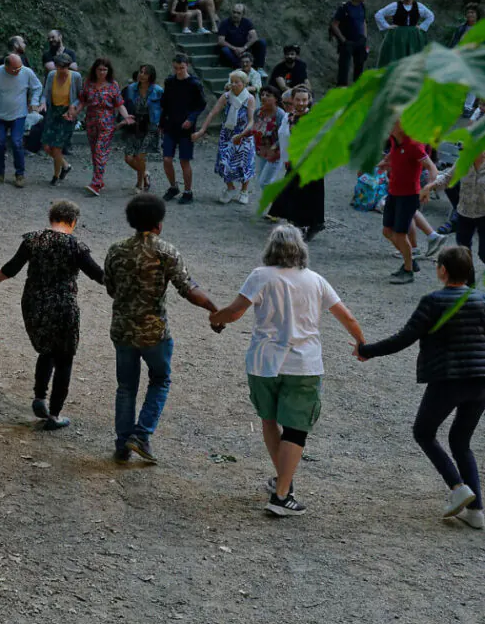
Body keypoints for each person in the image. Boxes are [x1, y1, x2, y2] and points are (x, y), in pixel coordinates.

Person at [209, 223, 365, 517]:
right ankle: (281, 494)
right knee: (296, 428)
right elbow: (347, 316)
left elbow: (235, 312)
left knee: (269, 420)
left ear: (271, 248)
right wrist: (361, 343)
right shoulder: (316, 280)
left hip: (263, 363)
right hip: (303, 364)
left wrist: (216, 318)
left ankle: (284, 483)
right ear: (301, 250)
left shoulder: (261, 276)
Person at [356, 246, 485, 530]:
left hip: (447, 379)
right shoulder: (481, 299)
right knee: (461, 441)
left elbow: (405, 338)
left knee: (424, 432)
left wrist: (368, 350)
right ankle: (476, 511)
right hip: (479, 381)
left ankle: (458, 487)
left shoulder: (433, 301)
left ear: (443, 271)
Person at [103, 193, 217, 463]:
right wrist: (214, 309)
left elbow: (110, 288)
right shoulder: (166, 252)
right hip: (155, 331)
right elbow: (188, 289)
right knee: (160, 380)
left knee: (126, 387)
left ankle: (122, 443)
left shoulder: (115, 250)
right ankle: (141, 434)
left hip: (122, 329)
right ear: (158, 222)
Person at [0, 199, 104, 431]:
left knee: (46, 350)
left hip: (34, 303)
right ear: (73, 222)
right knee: (64, 358)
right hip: (63, 306)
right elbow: (98, 275)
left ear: (51, 219)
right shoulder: (76, 246)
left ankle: (39, 397)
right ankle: (54, 414)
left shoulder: (32, 240)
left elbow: (11, 268)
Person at [383, 125, 441, 284]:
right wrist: (384, 163)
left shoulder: (414, 145)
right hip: (393, 192)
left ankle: (408, 271)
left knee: (400, 234)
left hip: (409, 195)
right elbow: (392, 156)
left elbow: (432, 167)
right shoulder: (395, 141)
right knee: (387, 231)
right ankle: (410, 260)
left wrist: (428, 188)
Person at [268, 86, 326, 238]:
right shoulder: (290, 116)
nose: (301, 103)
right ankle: (300, 225)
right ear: (292, 100)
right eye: (298, 100)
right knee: (292, 193)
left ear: (309, 101)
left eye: (304, 100)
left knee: (309, 195)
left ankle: (311, 225)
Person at [194, 70, 259, 205]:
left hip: (243, 134)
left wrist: (241, 135)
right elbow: (213, 112)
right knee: (224, 161)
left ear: (244, 83)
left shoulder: (249, 98)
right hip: (227, 133)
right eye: (232, 82)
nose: (234, 85)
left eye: (237, 82)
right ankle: (230, 188)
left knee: (244, 163)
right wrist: (202, 130)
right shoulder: (226, 96)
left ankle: (244, 191)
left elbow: (252, 120)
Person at [0, 52, 43, 187]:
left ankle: (19, 175)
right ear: (6, 66)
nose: (18, 71)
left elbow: (37, 87)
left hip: (19, 114)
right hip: (0, 114)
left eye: (19, 68)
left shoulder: (26, 72)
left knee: (17, 143)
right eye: (15, 69)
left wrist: (34, 100)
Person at [78, 57, 133, 197]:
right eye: (100, 69)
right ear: (95, 70)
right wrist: (73, 113)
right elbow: (82, 102)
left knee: (100, 151)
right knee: (94, 152)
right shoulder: (88, 84)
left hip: (107, 123)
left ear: (108, 71)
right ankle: (99, 179)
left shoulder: (113, 85)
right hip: (91, 121)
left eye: (105, 69)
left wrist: (126, 116)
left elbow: (119, 104)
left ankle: (96, 183)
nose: (102, 72)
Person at [160, 53, 206, 204]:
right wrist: (161, 124)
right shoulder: (170, 82)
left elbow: (201, 104)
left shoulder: (194, 84)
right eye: (176, 68)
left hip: (186, 128)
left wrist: (191, 119)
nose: (178, 71)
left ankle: (188, 191)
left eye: (181, 68)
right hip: (170, 125)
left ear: (187, 66)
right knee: (167, 159)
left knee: (184, 160)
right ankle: (173, 187)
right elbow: (165, 104)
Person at [426, 152, 485, 264]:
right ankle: (468, 280)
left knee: (484, 254)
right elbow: (447, 178)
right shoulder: (464, 160)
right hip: (464, 212)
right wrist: (429, 187)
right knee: (463, 253)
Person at [235, 85, 290, 201]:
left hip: (275, 154)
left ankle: (279, 206)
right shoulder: (258, 112)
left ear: (276, 99)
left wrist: (274, 148)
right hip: (261, 152)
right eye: (262, 95)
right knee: (264, 181)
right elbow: (253, 129)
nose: (264, 97)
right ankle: (276, 206)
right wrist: (240, 136)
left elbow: (284, 135)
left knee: (264, 182)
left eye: (268, 95)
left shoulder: (280, 115)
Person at [374, 0, 435, 67]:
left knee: (412, 57)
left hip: (413, 35)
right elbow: (379, 14)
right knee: (396, 56)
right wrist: (387, 26)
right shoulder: (395, 5)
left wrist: (422, 26)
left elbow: (430, 16)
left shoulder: (418, 6)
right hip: (397, 35)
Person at [120, 64, 163, 193]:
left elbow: (164, 108)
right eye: (141, 72)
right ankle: (145, 173)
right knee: (128, 158)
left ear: (151, 75)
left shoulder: (158, 91)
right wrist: (123, 119)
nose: (142, 75)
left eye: (145, 73)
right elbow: (122, 104)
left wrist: (162, 124)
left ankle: (139, 184)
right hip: (133, 124)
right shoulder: (130, 89)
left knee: (140, 157)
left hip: (149, 126)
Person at [39, 54, 80, 186]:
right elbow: (45, 93)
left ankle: (56, 176)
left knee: (57, 148)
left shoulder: (75, 77)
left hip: (67, 113)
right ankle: (65, 165)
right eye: (60, 68)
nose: (62, 71)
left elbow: (81, 97)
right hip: (53, 112)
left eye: (65, 68)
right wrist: (43, 103)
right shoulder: (51, 75)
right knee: (46, 146)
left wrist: (73, 109)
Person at [330, 0, 370, 86]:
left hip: (360, 41)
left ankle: (357, 87)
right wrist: (343, 40)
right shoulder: (344, 8)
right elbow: (334, 25)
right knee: (344, 68)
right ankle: (342, 89)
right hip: (347, 42)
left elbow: (363, 21)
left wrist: (364, 37)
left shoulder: (362, 6)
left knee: (359, 66)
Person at [216, 4, 267, 69]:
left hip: (244, 49)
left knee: (262, 42)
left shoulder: (246, 22)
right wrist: (235, 49)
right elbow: (221, 41)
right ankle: (240, 66)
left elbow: (254, 37)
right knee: (225, 50)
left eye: (238, 13)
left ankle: (259, 68)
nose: (235, 15)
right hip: (231, 49)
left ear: (243, 14)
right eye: (234, 12)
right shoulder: (225, 23)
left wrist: (244, 48)